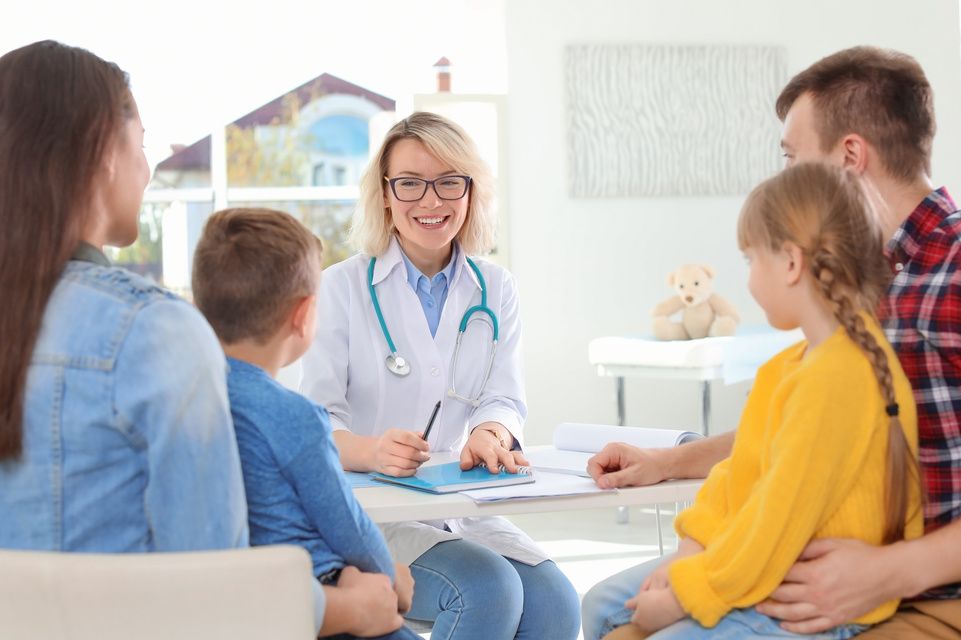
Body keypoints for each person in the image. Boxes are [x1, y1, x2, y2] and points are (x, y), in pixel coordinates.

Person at [0, 40, 403, 640]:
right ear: (101, 152)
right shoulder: (154, 332)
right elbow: (214, 591)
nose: (150, 166)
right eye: (141, 144)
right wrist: (354, 609)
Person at [583, 46, 961, 640]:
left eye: (791, 157)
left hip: (922, 590)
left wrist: (886, 573)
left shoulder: (954, 272)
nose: (782, 178)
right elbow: (800, 433)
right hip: (803, 556)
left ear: (849, 157)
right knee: (610, 611)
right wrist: (670, 463)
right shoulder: (838, 304)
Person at [603, 163, 922, 638]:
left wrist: (687, 593)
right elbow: (737, 477)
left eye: (751, 260)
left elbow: (776, 525)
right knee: (601, 606)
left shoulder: (840, 377)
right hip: (764, 566)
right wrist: (692, 551)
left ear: (791, 262)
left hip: (805, 592)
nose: (749, 280)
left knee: (643, 627)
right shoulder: (786, 367)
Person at [301, 111, 580, 639]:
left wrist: (489, 432)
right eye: (409, 183)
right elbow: (316, 423)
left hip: (459, 507)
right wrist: (372, 450)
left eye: (450, 182)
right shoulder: (340, 289)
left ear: (471, 192)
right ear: (385, 194)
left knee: (557, 604)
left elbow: (503, 398)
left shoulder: (495, 288)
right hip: (368, 510)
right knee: (486, 588)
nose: (431, 201)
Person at [191, 207, 420, 640]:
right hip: (323, 600)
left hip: (242, 603)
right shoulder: (295, 417)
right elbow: (348, 526)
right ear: (303, 315)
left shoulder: (184, 400)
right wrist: (391, 577)